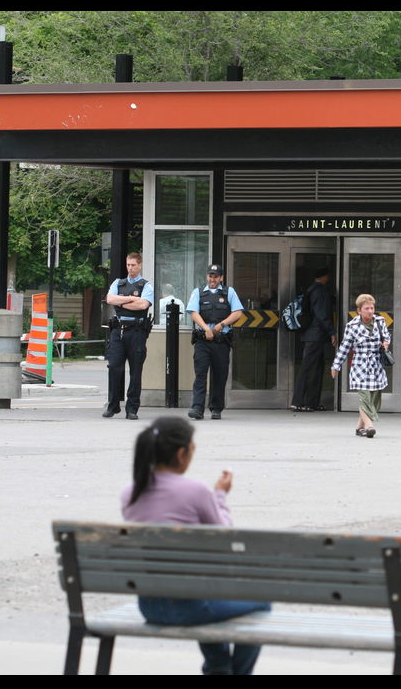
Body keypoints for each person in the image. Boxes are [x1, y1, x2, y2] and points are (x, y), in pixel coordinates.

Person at [121, 417, 270, 675]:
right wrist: (220, 496)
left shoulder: (130, 492)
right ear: (181, 454)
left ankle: (218, 667)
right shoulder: (195, 491)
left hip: (149, 606)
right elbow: (224, 538)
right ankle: (236, 672)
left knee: (207, 589)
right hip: (191, 608)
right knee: (261, 602)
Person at [186, 264, 243, 420]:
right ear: (207, 276)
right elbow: (193, 312)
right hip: (203, 340)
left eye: (216, 276)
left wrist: (221, 325)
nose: (212, 279)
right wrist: (206, 329)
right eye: (210, 276)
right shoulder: (198, 292)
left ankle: (216, 408)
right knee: (200, 374)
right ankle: (197, 408)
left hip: (221, 341)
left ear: (221, 278)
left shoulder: (229, 292)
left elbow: (237, 312)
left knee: (220, 375)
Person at [330, 294, 390, 438]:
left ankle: (359, 428)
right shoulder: (352, 326)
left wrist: (386, 343)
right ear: (359, 310)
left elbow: (386, 336)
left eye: (372, 308)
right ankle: (369, 426)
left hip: (376, 365)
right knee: (364, 397)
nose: (370, 311)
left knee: (375, 399)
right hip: (360, 365)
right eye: (367, 308)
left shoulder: (380, 321)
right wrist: (336, 365)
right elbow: (345, 347)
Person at [103, 252, 154, 420]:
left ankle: (132, 408)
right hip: (118, 330)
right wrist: (129, 299)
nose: (130, 268)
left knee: (135, 371)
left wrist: (122, 301)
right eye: (128, 265)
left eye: (133, 265)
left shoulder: (146, 286)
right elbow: (110, 299)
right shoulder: (118, 283)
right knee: (114, 367)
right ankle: (113, 405)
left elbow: (142, 305)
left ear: (139, 265)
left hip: (137, 331)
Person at [290, 266, 337, 412]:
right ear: (324, 277)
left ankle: (311, 403)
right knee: (308, 368)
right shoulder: (320, 291)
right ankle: (298, 401)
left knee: (316, 368)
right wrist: (332, 332)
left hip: (311, 335)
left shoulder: (310, 290)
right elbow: (322, 314)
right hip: (315, 335)